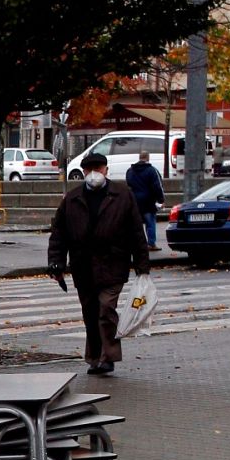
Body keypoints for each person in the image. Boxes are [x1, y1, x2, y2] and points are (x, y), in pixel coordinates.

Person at [47, 152, 150, 376]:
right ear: (83, 171)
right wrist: (55, 263)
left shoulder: (122, 195)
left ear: (106, 169)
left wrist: (142, 266)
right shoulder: (72, 199)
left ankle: (108, 356)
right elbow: (59, 234)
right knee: (91, 314)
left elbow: (135, 232)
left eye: (99, 168)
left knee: (106, 309)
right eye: (89, 169)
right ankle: (95, 357)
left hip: (113, 264)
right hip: (83, 267)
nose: (94, 173)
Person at [124, 150, 165, 250]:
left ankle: (135, 243)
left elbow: (128, 185)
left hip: (134, 201)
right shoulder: (152, 170)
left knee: (135, 224)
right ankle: (151, 244)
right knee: (150, 223)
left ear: (139, 157)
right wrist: (161, 199)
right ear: (148, 158)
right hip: (148, 201)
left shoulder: (130, 170)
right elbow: (157, 186)